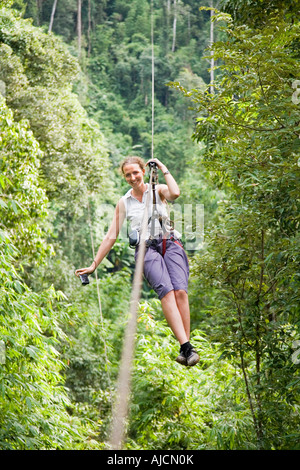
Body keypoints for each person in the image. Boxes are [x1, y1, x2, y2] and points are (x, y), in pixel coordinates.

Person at [75, 156, 199, 367]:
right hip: (146, 248)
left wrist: (162, 167)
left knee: (180, 291)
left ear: (143, 171)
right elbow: (111, 236)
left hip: (169, 241)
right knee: (166, 292)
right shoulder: (124, 202)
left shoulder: (157, 190)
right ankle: (186, 346)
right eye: (128, 175)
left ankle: (185, 346)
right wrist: (95, 264)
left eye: (135, 172)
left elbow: (175, 193)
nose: (132, 177)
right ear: (125, 177)